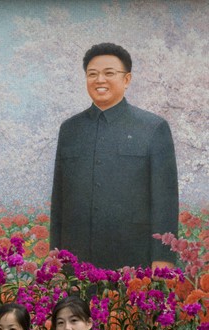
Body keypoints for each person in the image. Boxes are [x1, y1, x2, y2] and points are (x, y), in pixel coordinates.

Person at [50, 42, 179, 271]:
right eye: (92, 74)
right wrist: (55, 258)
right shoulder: (70, 129)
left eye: (109, 73)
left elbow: (165, 202)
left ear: (126, 79)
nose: (100, 80)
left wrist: (163, 259)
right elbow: (59, 200)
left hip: (133, 259)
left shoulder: (153, 127)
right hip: (76, 261)